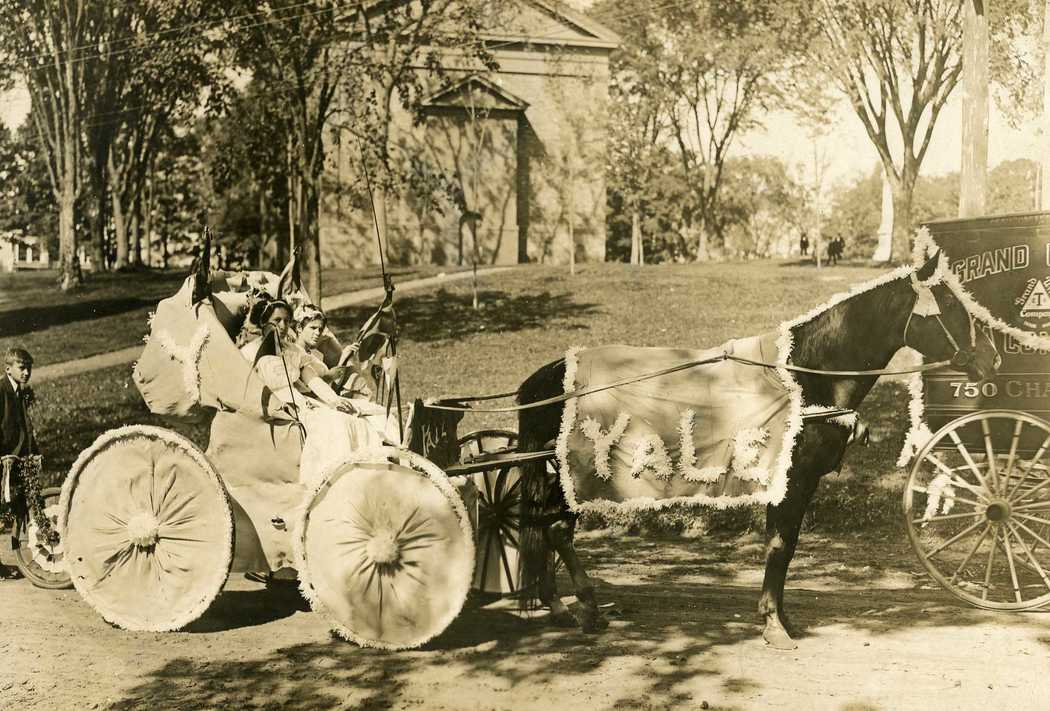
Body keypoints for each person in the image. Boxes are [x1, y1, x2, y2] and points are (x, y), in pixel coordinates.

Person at [1, 347, 37, 580]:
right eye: (21, 368)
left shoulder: (19, 392)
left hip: (11, 457)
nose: (26, 373)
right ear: (8, 369)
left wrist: (33, 451)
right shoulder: (1, 390)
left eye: (29, 368)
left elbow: (23, 427)